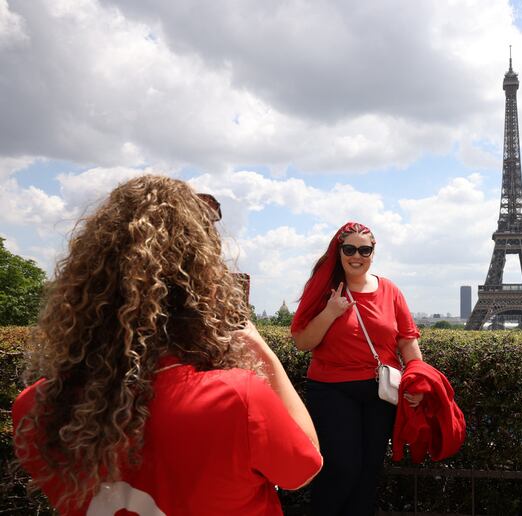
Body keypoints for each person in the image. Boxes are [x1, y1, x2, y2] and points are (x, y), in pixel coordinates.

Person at [12, 175, 322, 515]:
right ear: (201, 289)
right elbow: (304, 468)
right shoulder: (235, 399)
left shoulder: (35, 408)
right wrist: (262, 350)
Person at [291, 221, 423, 516]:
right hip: (332, 390)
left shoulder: (390, 290)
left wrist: (418, 381)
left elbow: (407, 342)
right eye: (349, 249)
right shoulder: (323, 290)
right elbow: (302, 342)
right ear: (338, 251)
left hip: (380, 393)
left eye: (365, 249)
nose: (357, 255)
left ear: (373, 252)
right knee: (342, 468)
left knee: (368, 471)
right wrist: (330, 312)